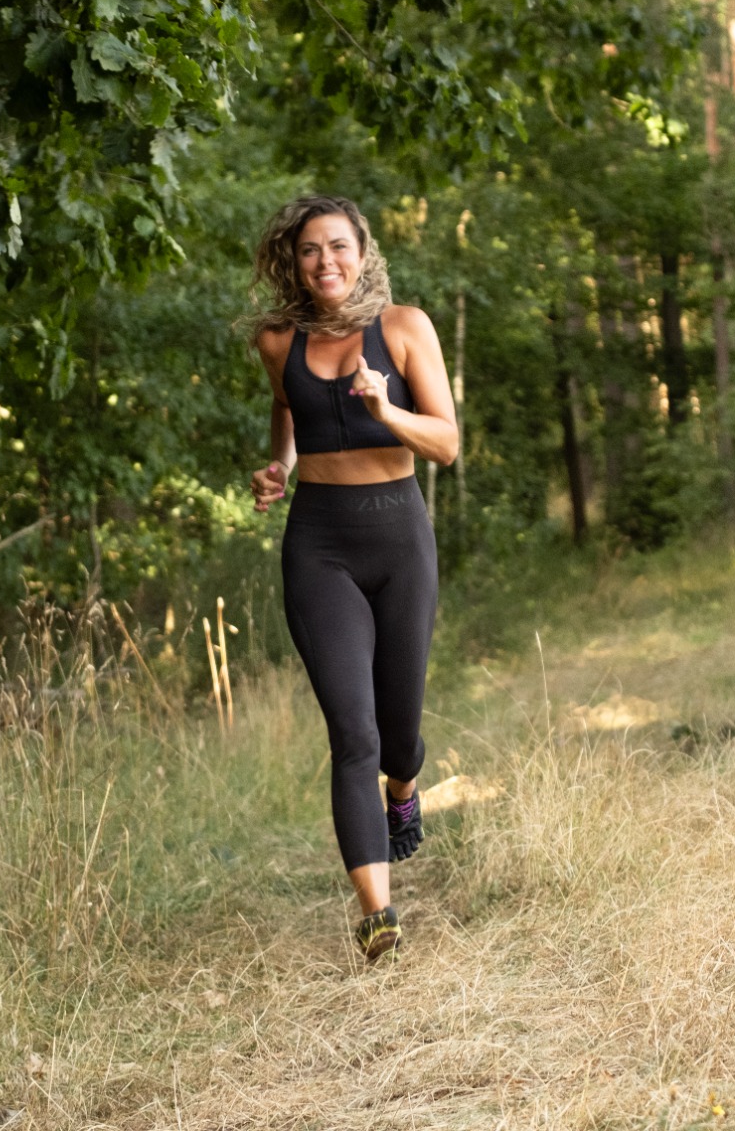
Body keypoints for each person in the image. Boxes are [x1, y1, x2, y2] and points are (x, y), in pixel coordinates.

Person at [247, 194, 459, 962]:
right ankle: (378, 916)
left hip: (400, 542)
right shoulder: (278, 340)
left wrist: (386, 408)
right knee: (353, 734)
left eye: (338, 246)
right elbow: (287, 410)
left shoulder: (404, 327)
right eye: (309, 250)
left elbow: (446, 443)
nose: (325, 261)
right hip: (320, 548)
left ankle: (405, 790)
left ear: (362, 253)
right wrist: (279, 466)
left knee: (398, 740)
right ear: (294, 261)